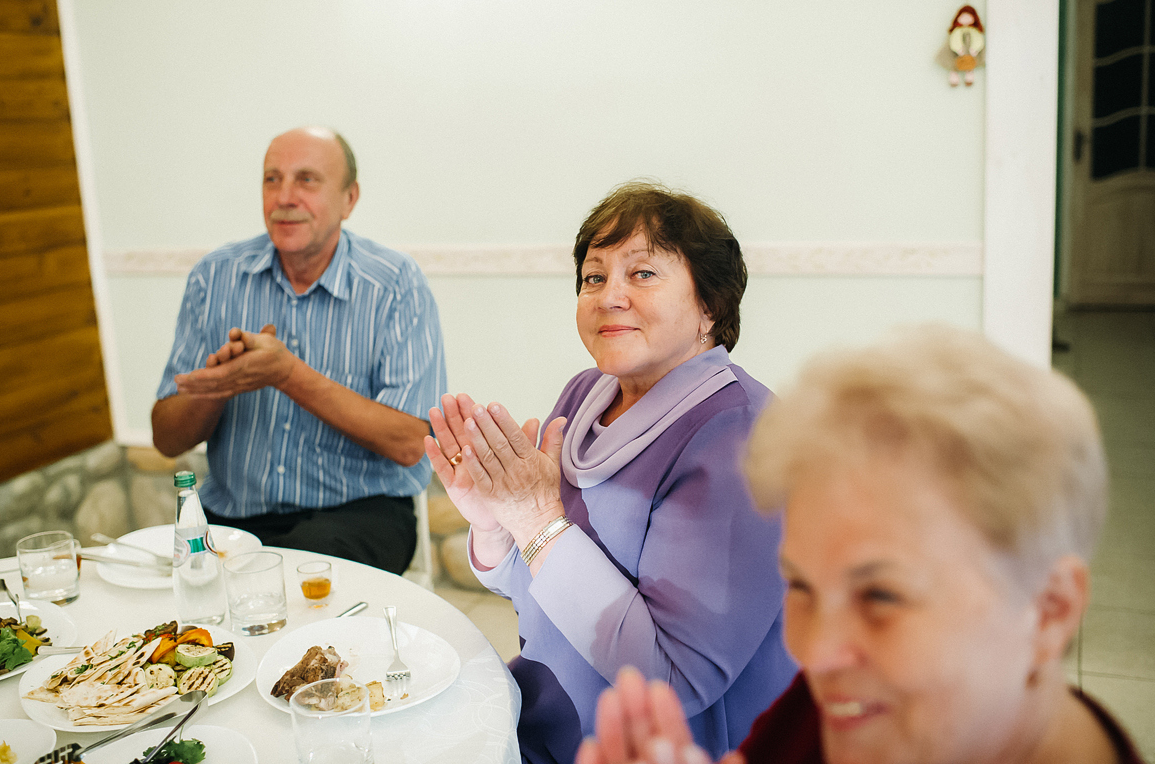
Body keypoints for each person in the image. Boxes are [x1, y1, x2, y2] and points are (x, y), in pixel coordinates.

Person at [576, 326, 1146, 764]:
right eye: (800, 585)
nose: (815, 654)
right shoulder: (834, 709)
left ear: (1049, 611)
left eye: (880, 596)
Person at [425, 182, 797, 764]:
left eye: (642, 273)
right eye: (594, 277)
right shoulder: (585, 394)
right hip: (544, 719)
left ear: (711, 306)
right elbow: (539, 590)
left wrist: (537, 519)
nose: (608, 296)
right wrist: (498, 528)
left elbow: (674, 680)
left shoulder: (739, 433)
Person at [151, 127, 445, 574]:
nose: (285, 196)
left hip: (360, 512)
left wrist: (285, 374)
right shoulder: (214, 278)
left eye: (307, 179)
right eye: (272, 179)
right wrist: (221, 384)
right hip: (233, 517)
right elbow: (166, 438)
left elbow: (409, 443)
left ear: (349, 199)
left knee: (296, 576)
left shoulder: (395, 283)